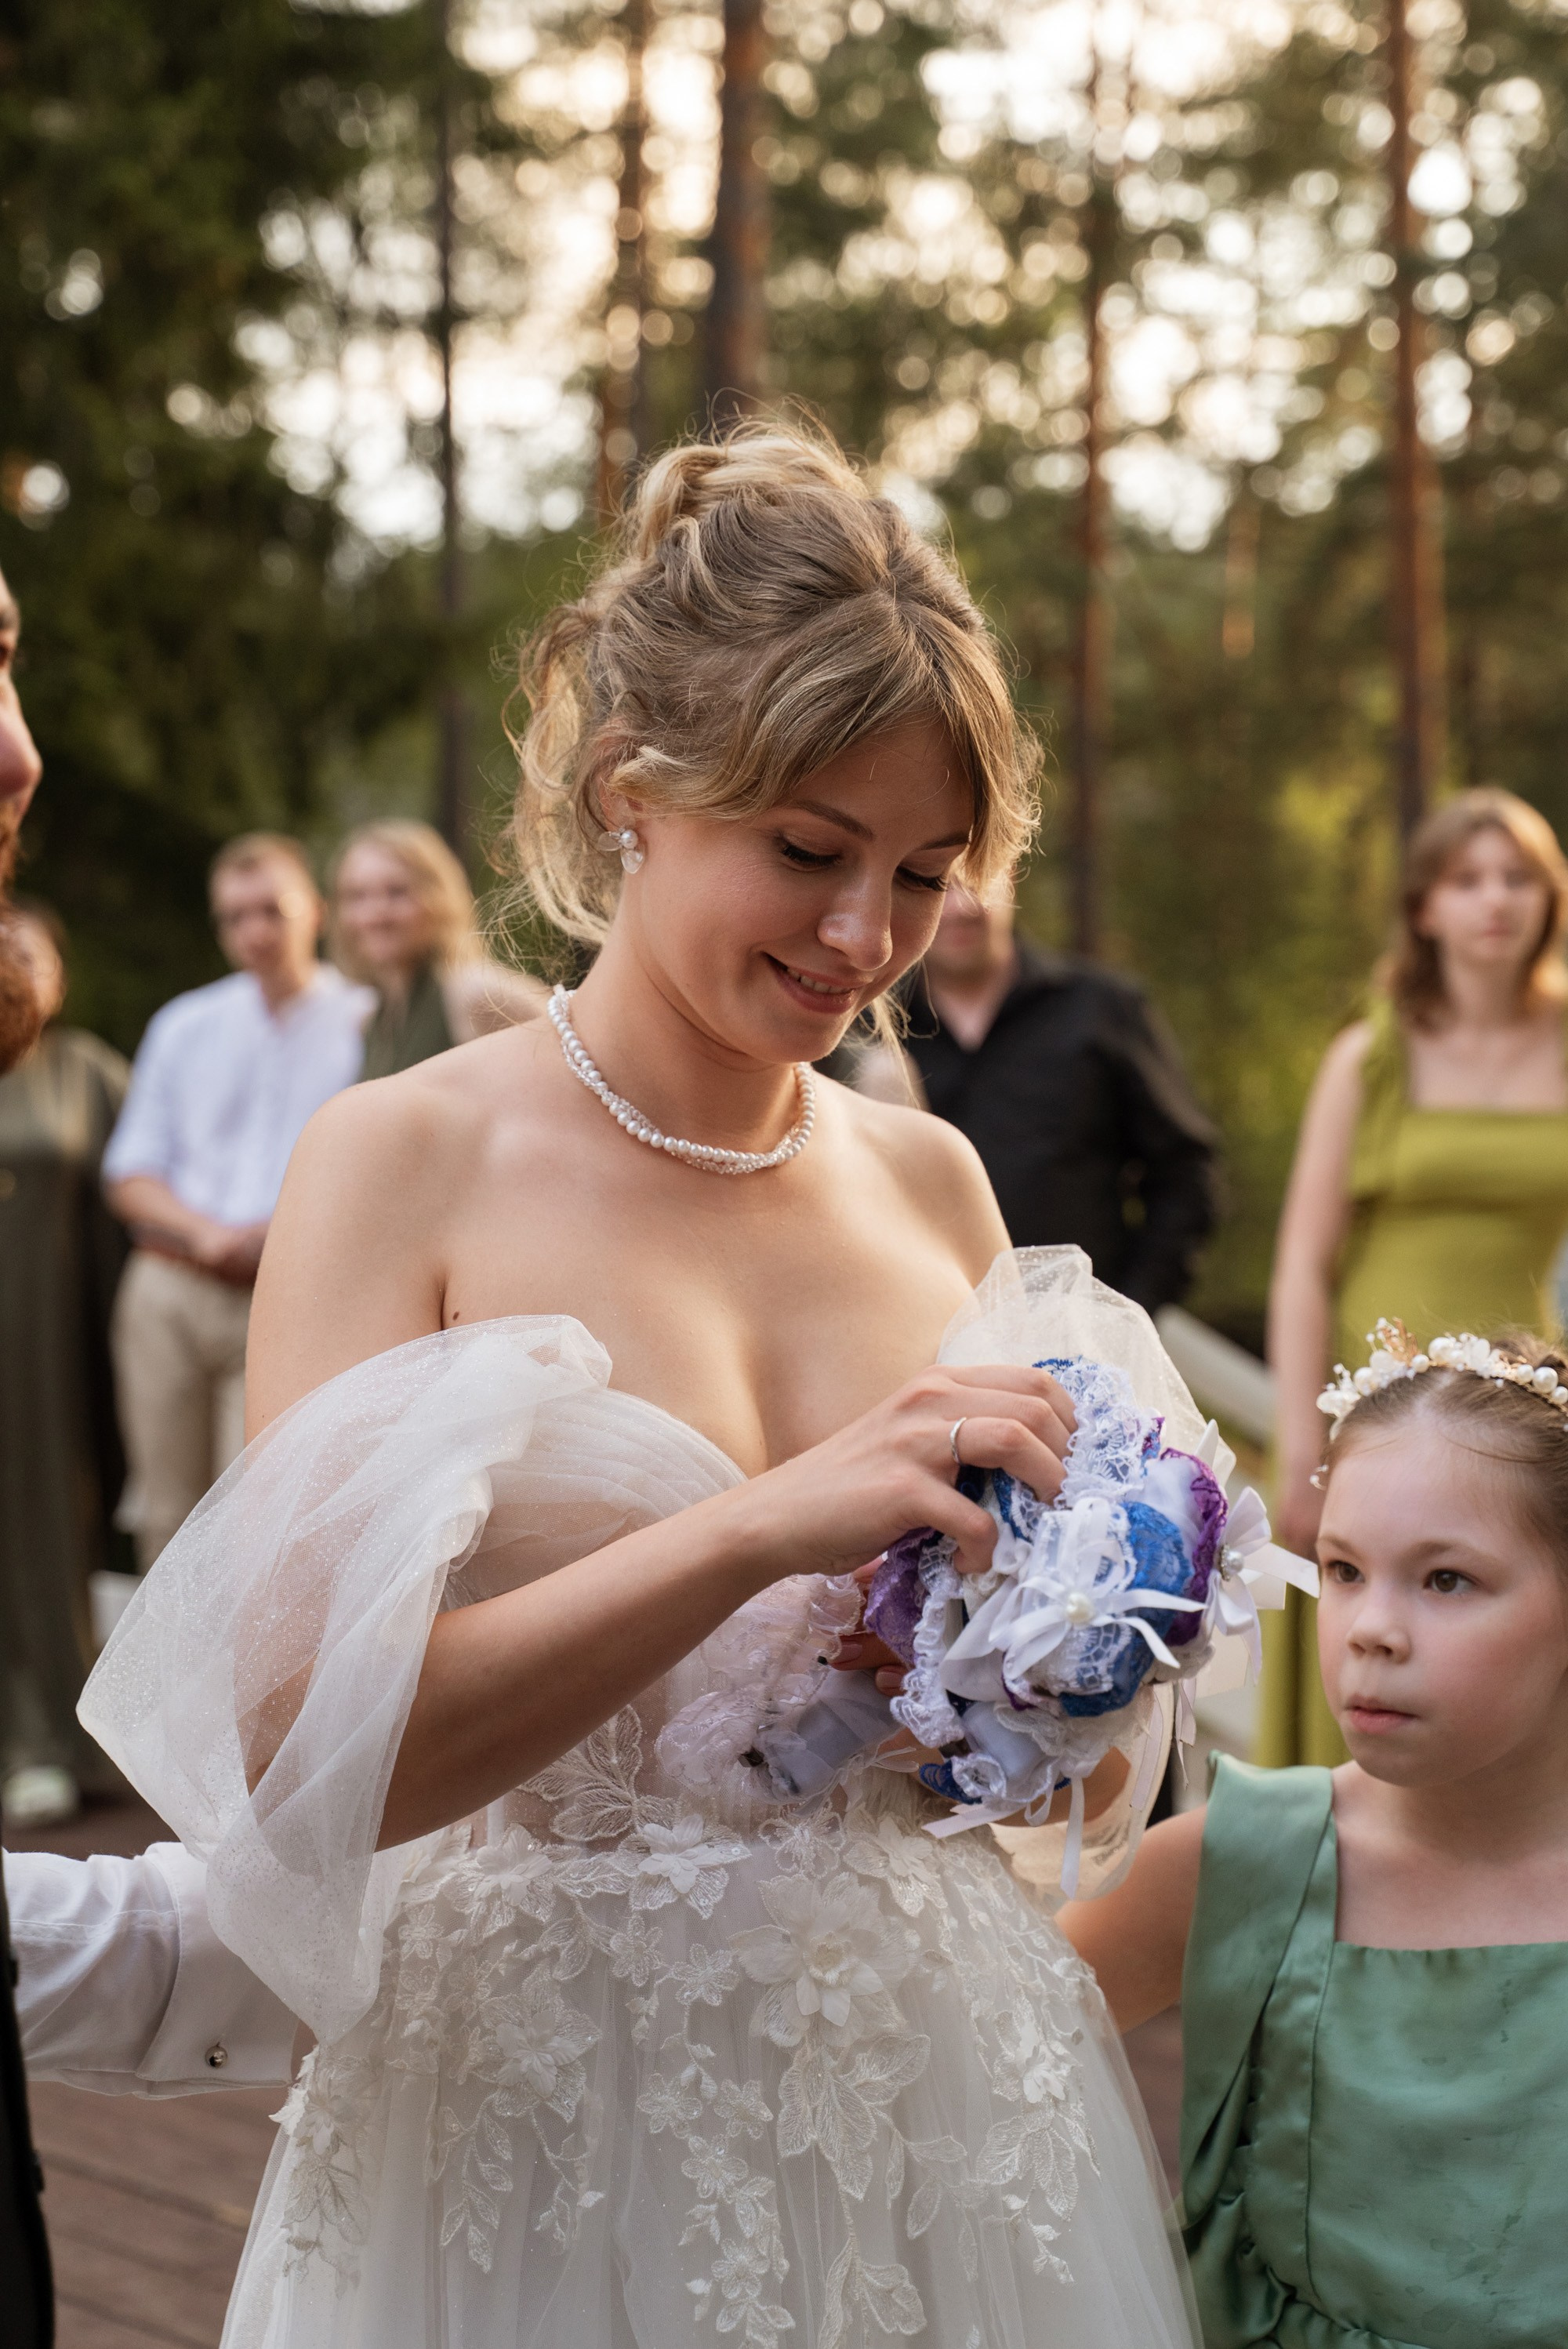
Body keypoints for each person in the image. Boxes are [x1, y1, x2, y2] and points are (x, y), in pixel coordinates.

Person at [82, 428, 1198, 2349]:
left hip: (927, 2112)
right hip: (535, 2135)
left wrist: (1049, 1680)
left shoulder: (929, 1180)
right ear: (630, 791)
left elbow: (1057, 1778)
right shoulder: (397, 1162)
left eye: (923, 874)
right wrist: (760, 1526)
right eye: (807, 851)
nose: (865, 939)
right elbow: (298, 1760)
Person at [1060, 1316, 1568, 2349]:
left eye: (1447, 1580)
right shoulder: (1245, 1861)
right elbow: (964, 2058)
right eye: (1342, 1569)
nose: (1370, 1628)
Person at [1265, 787, 1568, 1766]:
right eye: (1466, 878)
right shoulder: (1369, 1056)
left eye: (1516, 877)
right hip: (1377, 1381)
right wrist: (1300, 1443)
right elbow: (1302, 1264)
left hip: (1520, 1397)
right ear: (1423, 907)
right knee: (1380, 1624)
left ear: (1548, 899)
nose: (1494, 900)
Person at [100, 834, 372, 1570]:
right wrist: (208, 1233)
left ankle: (254, 1689)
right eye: (233, 916)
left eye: (270, 911)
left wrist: (274, 1233)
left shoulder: (364, 1022)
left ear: (313, 911)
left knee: (265, 1516)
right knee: (165, 1512)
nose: (252, 932)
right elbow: (131, 1173)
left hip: (288, 1296)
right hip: (170, 1289)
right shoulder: (184, 1024)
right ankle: (166, 1689)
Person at [904, 877, 1219, 1314]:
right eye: (940, 884)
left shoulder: (1103, 1009)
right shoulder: (863, 1031)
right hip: (919, 1337)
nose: (960, 907)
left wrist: (1127, 1313)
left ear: (1011, 879)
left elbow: (1185, 1175)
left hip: (1079, 1344)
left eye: (977, 882)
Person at [0, 907, 129, 1831]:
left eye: (29, 950)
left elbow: (157, 1168)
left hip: (49, 1334)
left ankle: (51, 1735)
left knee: (50, 1523)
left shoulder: (86, 1069)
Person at [328, 818, 546, 1078]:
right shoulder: (373, 1020)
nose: (375, 914)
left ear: (439, 898)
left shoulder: (478, 996)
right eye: (357, 896)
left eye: (397, 892)